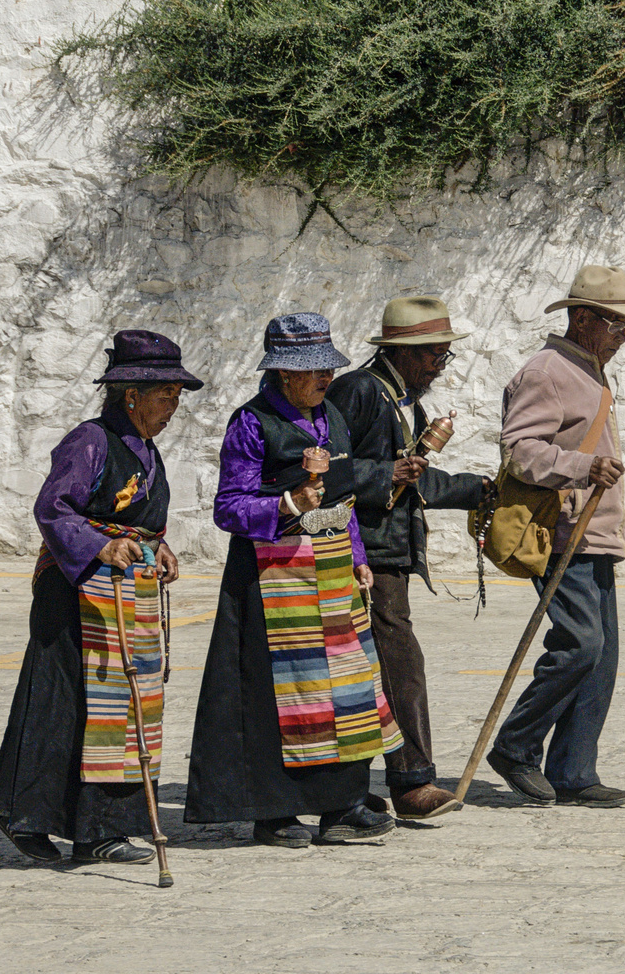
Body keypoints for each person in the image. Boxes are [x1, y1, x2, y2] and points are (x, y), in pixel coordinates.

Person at [184, 313, 400, 849]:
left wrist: (356, 555)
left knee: (346, 691)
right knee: (278, 695)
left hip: (331, 577)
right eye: (313, 370)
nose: (326, 377)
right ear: (283, 374)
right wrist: (286, 503)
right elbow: (228, 508)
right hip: (272, 580)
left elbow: (343, 499)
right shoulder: (252, 423)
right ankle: (274, 812)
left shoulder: (332, 418)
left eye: (328, 367)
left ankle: (341, 805)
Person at [0, 329, 203, 865]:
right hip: (74, 593)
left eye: (177, 394)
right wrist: (101, 548)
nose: (173, 405)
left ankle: (100, 829)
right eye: (164, 394)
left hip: (127, 597)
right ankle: (27, 816)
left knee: (119, 709)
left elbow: (134, 521)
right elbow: (54, 509)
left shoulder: (145, 450)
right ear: (129, 394)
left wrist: (160, 546)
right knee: (63, 706)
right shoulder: (90, 440)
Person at [484, 266, 625, 808]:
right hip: (563, 534)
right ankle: (515, 745)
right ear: (581, 318)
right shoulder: (548, 371)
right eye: (615, 323)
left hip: (596, 534)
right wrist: (583, 466)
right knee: (581, 646)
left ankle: (574, 771)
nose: (623, 334)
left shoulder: (591, 370)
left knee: (601, 658)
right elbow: (520, 450)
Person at [327, 296, 489, 820]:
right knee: (400, 664)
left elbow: (414, 482)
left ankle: (351, 787)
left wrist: (480, 489)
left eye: (444, 354)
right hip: (364, 556)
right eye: (434, 354)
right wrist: (382, 476)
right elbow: (322, 472)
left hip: (390, 554)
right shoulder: (358, 392)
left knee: (373, 668)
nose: (440, 363)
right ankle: (412, 785)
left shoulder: (401, 398)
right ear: (405, 351)